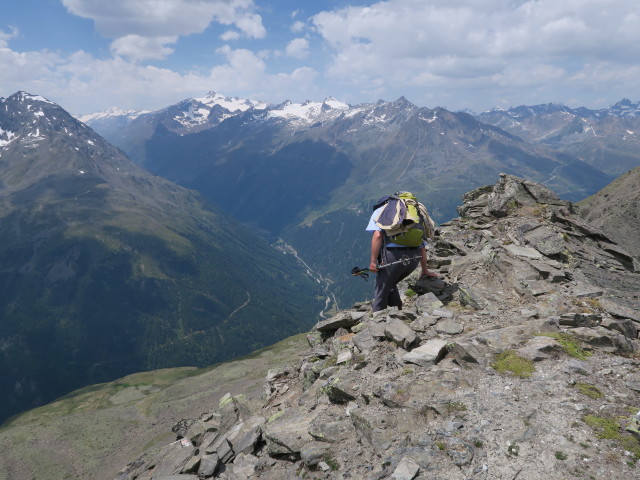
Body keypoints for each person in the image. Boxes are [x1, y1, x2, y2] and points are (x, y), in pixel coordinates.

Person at [366, 201, 437, 312]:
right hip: (414, 258)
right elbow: (421, 243)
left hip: (393, 257)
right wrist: (424, 269)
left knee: (381, 290)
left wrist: (373, 261)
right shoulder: (415, 213)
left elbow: (377, 235)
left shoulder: (382, 211)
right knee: (391, 284)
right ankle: (398, 312)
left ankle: (376, 321)